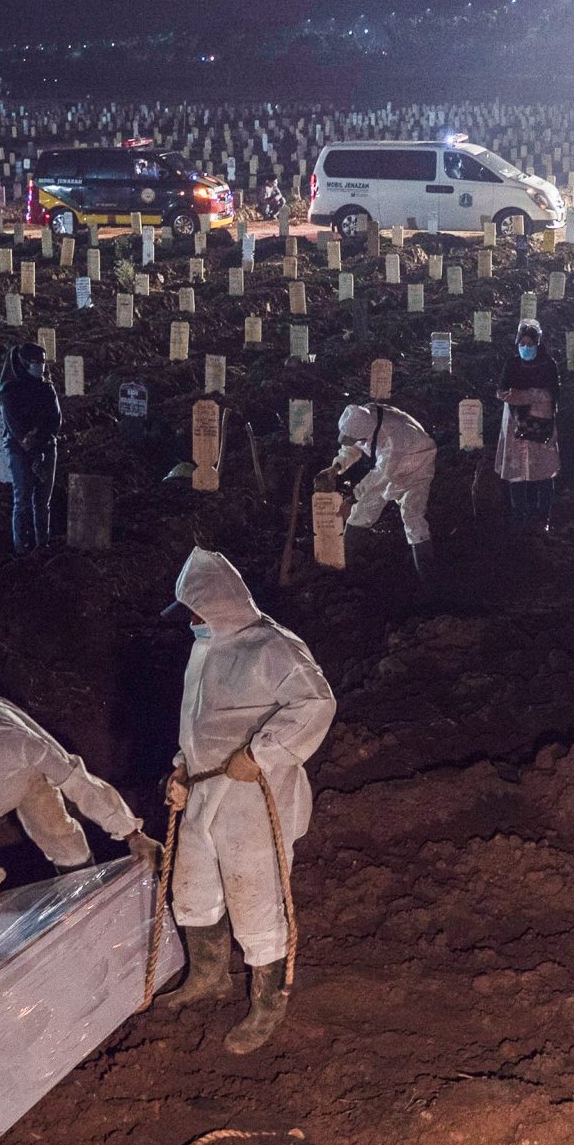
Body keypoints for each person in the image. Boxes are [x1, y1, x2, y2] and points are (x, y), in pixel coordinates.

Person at [155, 549, 337, 1054]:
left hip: (254, 799)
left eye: (197, 612)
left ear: (219, 604)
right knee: (192, 887)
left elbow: (317, 704)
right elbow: (203, 720)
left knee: (255, 896)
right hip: (205, 789)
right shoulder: (206, 646)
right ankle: (208, 976)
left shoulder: (272, 647)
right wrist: (182, 765)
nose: (192, 623)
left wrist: (261, 753)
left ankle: (267, 1003)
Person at [0, 697, 158, 914]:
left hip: (23, 778)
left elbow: (77, 782)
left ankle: (85, 894)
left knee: (57, 831)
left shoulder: (17, 742)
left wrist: (131, 833)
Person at [331, 399, 438, 587]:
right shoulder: (364, 416)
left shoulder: (392, 438)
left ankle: (426, 576)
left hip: (418, 463)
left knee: (413, 516)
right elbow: (354, 446)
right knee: (361, 511)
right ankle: (345, 567)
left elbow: (380, 477)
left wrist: (351, 498)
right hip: (393, 463)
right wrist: (337, 466)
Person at [494, 318, 561, 533]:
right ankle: (519, 515)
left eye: (530, 344)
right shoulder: (512, 364)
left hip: (541, 425)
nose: (526, 348)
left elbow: (552, 394)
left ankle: (542, 515)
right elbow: (502, 391)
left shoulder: (548, 364)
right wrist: (530, 396)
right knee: (517, 470)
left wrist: (523, 395)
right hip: (515, 424)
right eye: (522, 344)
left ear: (538, 344)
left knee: (542, 471)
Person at [0, 341, 61, 552]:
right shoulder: (10, 392)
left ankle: (42, 543)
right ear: (23, 363)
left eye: (42, 362)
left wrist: (39, 437)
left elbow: (56, 421)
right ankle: (22, 549)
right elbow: (17, 429)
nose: (40, 366)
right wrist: (31, 440)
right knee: (23, 500)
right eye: (35, 362)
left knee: (43, 502)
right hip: (20, 452)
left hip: (45, 447)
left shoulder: (46, 388)